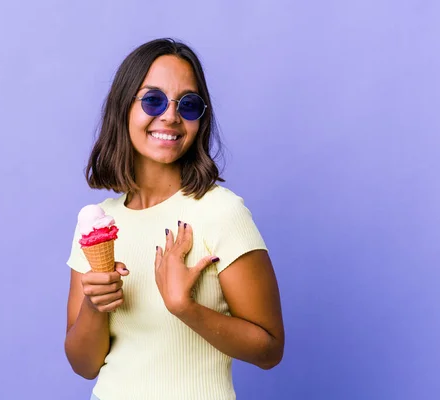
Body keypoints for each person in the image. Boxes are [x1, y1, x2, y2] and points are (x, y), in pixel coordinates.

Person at [64, 38, 285, 400]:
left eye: (189, 105)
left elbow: (270, 350)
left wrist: (185, 307)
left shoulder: (220, 212)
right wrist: (95, 303)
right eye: (153, 99)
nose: (170, 115)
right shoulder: (97, 224)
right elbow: (84, 364)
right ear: (124, 108)